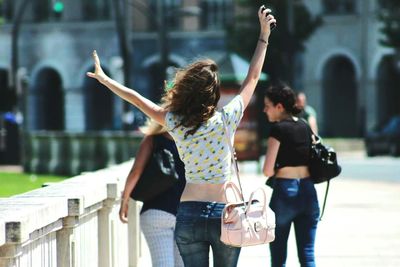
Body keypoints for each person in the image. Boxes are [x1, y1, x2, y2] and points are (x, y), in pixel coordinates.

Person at [87, 6, 276, 266]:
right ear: (214, 95)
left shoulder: (176, 123)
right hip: (224, 213)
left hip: (187, 212)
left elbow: (138, 100)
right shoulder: (226, 120)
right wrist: (263, 35)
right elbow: (252, 77)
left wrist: (106, 80)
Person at [263, 85, 319, 267]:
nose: (264, 110)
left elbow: (267, 170)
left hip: (285, 192)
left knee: (278, 257)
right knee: (308, 254)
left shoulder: (278, 129)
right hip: (308, 192)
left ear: (279, 107)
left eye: (267, 105)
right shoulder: (304, 125)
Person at [119, 121, 186, 267]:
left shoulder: (153, 139)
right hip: (185, 214)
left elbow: (136, 172)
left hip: (155, 213)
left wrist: (125, 201)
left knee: (162, 264)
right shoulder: (193, 140)